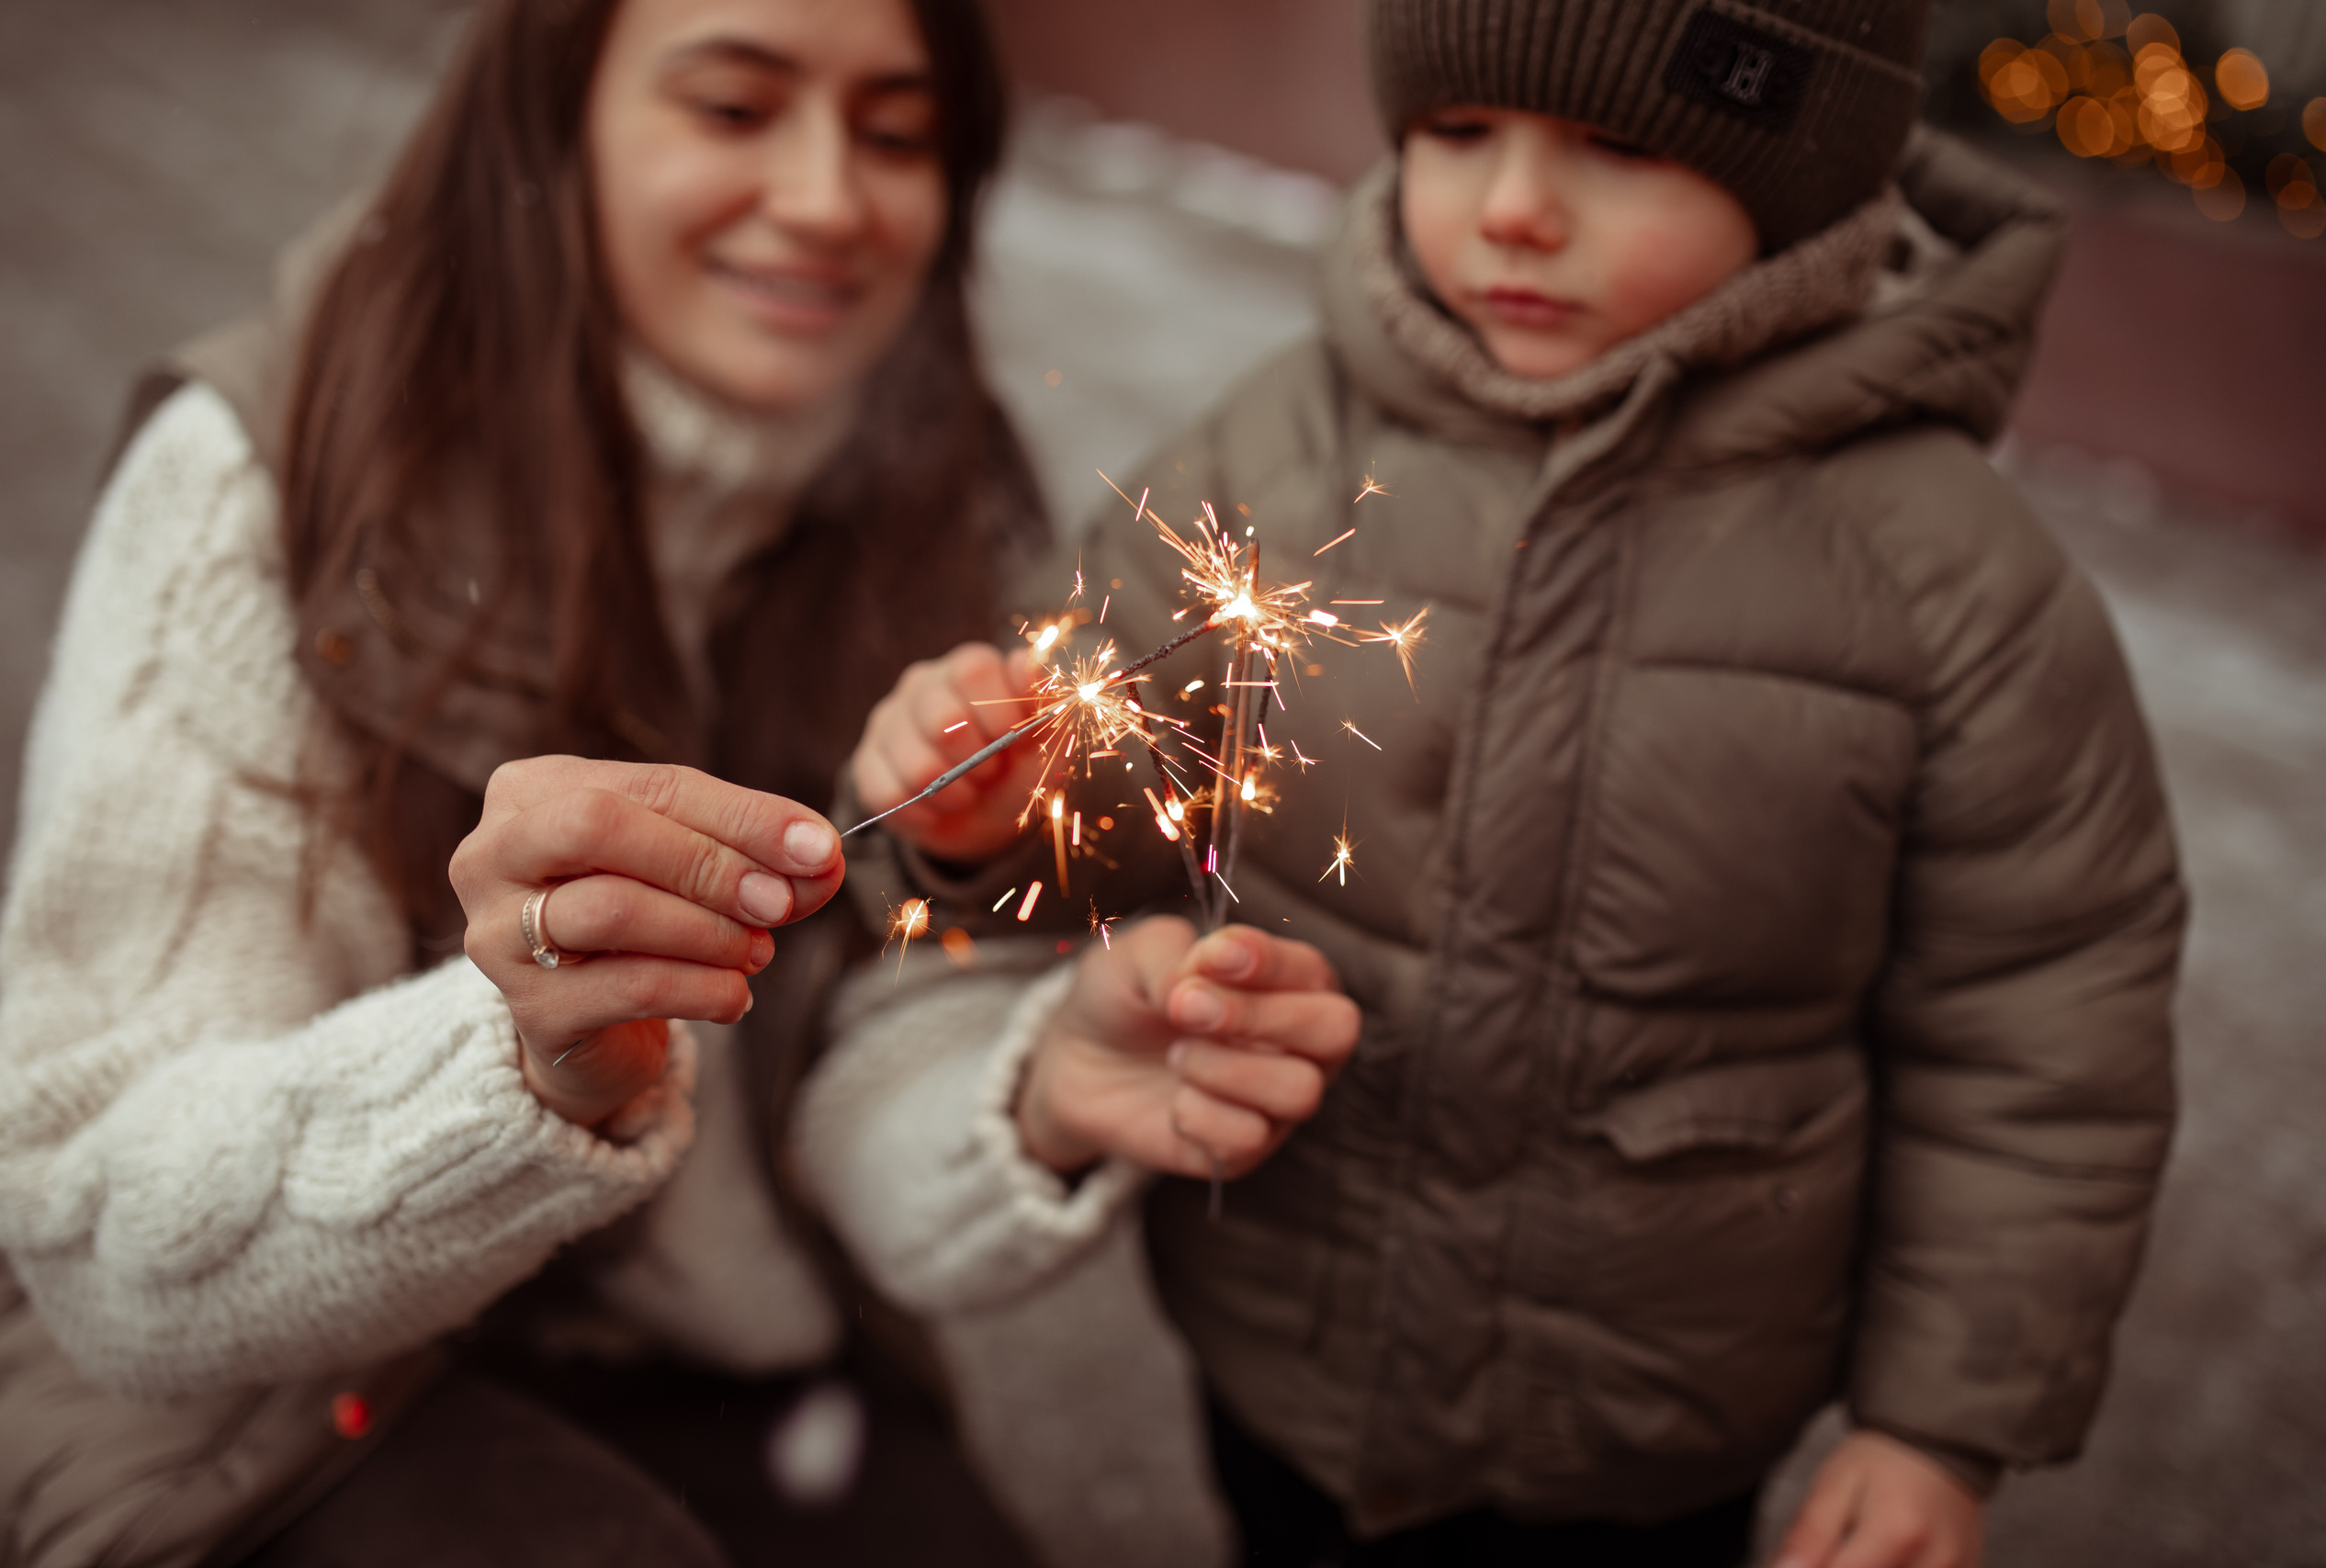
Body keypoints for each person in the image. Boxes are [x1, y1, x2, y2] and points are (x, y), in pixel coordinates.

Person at [812, 1, 2185, 1564]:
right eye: (1459, 134)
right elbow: (1124, 781)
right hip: (1288, 1338)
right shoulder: (1280, 453)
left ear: (1796, 180)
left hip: (1653, 1413)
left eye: (1620, 147)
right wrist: (986, 825)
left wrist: (1942, 1417)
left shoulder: (1940, 573)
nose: (1517, 207)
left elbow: (2040, 1030)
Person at [0, 0, 1049, 1562]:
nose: (827, 200)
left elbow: (878, 1061)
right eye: (737, 108)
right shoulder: (270, 480)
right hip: (250, 1408)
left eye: (894, 132)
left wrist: (1043, 1087)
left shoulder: (946, 509)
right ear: (552, 119)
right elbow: (103, 1229)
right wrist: (521, 1066)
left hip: (727, 1349)